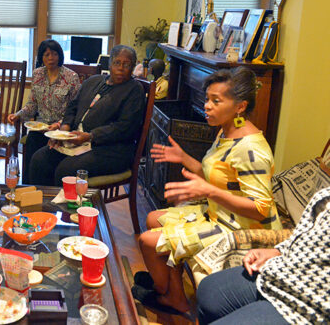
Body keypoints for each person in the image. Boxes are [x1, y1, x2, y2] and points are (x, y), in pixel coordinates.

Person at [133, 67, 282, 314]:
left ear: (240, 106)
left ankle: (163, 291)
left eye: (216, 101)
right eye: (207, 99)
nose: (207, 106)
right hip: (220, 212)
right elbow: (216, 177)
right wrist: (183, 158)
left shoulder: (251, 150)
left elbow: (260, 209)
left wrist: (209, 192)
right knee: (152, 218)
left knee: (148, 242)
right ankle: (175, 295)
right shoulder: (226, 130)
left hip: (241, 228)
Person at [196, 187, 330, 324]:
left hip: (308, 303)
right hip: (284, 271)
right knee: (209, 291)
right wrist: (279, 250)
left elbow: (261, 207)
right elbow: (311, 233)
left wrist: (211, 191)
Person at [28, 45, 145, 186]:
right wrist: (64, 130)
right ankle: (43, 205)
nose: (121, 68)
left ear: (133, 67)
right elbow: (73, 106)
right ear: (110, 64)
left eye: (126, 64)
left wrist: (91, 136)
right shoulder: (93, 81)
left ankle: (68, 207)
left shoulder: (134, 90)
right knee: (39, 159)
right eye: (117, 63)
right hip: (78, 141)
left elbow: (125, 127)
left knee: (65, 170)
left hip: (112, 149)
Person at [7, 39, 80, 184]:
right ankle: (28, 188)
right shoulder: (37, 74)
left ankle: (48, 191)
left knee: (48, 155)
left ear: (60, 55)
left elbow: (76, 110)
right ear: (41, 57)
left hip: (61, 131)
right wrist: (18, 115)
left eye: (54, 54)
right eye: (46, 55)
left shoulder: (71, 77)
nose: (51, 58)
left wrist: (59, 124)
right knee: (32, 140)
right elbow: (32, 105)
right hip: (40, 128)